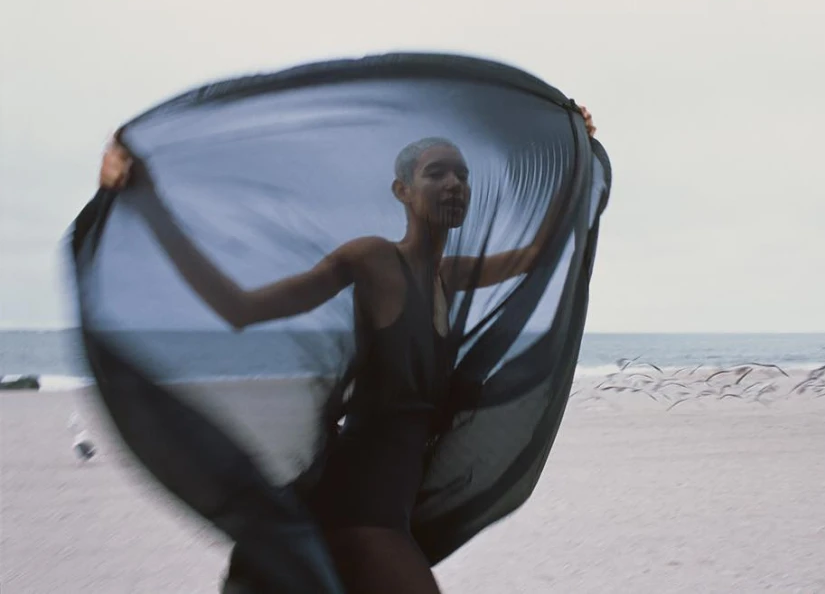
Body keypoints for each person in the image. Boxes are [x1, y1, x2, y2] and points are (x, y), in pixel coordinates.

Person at [98, 108, 596, 594]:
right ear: (402, 191)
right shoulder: (374, 259)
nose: (454, 184)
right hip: (360, 506)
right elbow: (240, 308)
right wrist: (148, 203)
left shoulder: (452, 275)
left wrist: (578, 150)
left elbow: (538, 253)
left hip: (395, 507)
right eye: (436, 174)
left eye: (462, 176)